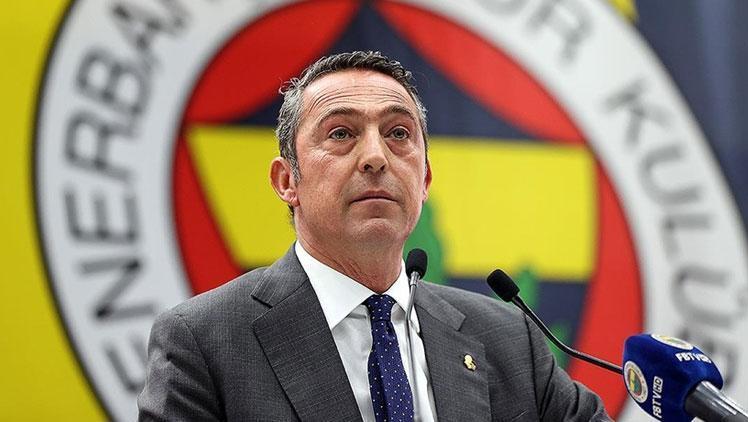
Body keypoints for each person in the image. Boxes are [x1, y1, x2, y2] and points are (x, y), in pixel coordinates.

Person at [138, 51, 610, 421]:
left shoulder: (507, 338)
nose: (375, 157)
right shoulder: (205, 341)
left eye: (398, 133)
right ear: (287, 181)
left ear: (424, 180)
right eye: (341, 133)